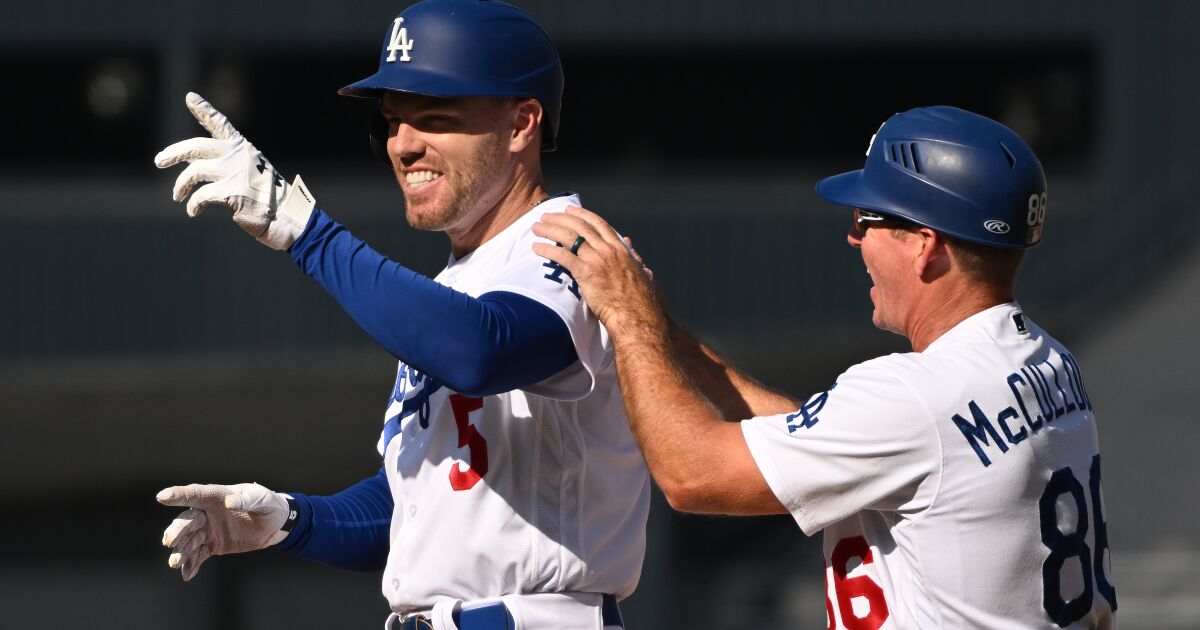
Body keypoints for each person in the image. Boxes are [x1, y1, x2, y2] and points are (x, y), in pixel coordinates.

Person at [152, 2, 647, 628]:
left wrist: (306, 232)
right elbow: (412, 505)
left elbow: (481, 350)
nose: (403, 145)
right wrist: (293, 520)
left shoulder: (579, 246)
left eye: (436, 118)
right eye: (391, 122)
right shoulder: (451, 287)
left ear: (522, 123)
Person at [533, 106, 1117, 628]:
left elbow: (692, 476)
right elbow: (826, 436)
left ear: (924, 245)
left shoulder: (913, 396)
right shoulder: (1047, 359)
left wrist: (626, 316)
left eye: (869, 218)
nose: (853, 236)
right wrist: (662, 331)